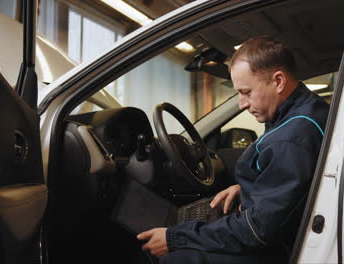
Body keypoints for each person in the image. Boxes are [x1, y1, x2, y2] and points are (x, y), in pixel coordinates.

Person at [137, 36, 330, 263]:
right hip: (277, 228)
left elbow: (257, 231)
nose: (242, 104)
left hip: (279, 248)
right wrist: (250, 187)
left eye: (246, 92)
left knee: (177, 259)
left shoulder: (291, 137)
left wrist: (175, 238)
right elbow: (289, 179)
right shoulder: (305, 109)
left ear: (278, 81)